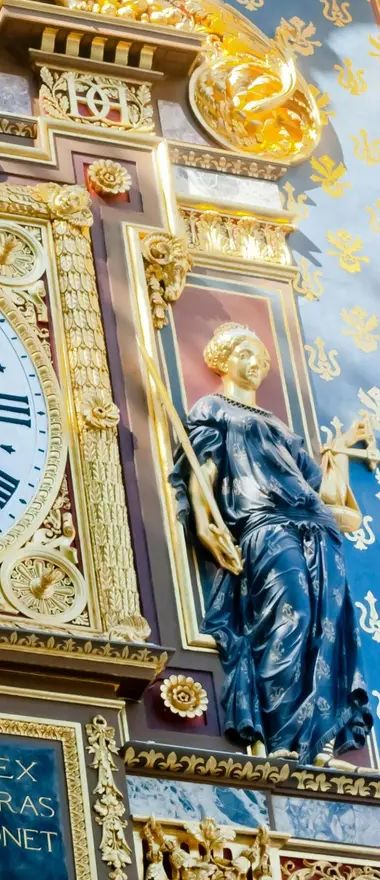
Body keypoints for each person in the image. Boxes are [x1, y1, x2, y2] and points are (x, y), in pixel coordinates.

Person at [171, 321, 372, 764]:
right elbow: (203, 472)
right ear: (223, 360)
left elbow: (323, 493)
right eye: (245, 353)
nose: (255, 362)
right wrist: (205, 523)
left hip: (317, 526)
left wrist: (338, 450)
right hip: (264, 523)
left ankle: (317, 745)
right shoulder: (214, 408)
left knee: (327, 628)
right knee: (292, 613)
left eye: (261, 357)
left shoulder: (281, 427)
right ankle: (283, 738)